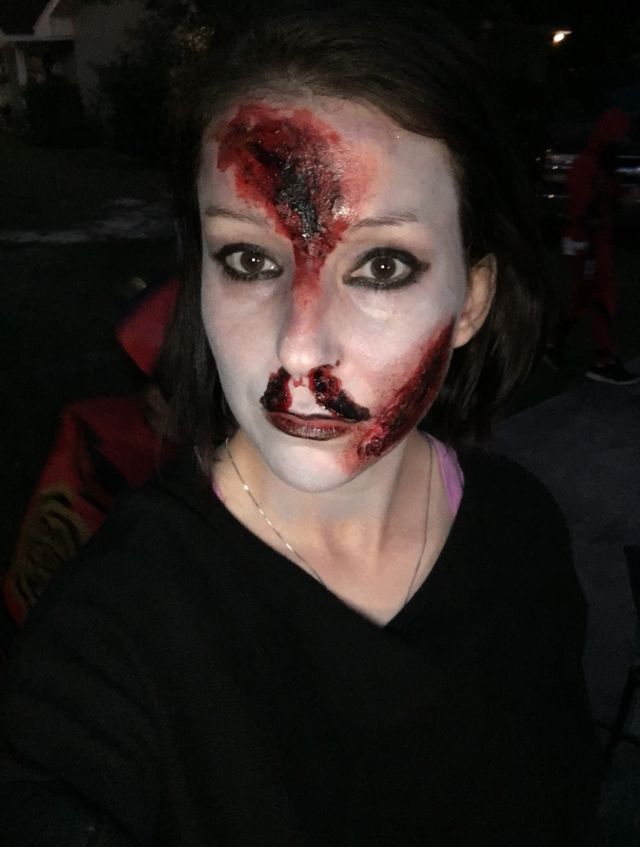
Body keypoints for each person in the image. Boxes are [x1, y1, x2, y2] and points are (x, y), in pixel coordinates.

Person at [0, 4, 601, 845]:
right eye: (250, 259)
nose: (299, 346)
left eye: (382, 264)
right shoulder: (113, 638)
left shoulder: (523, 532)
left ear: (470, 299)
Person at [547, 106, 639, 384]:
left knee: (583, 297)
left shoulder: (602, 166)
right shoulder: (587, 166)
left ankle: (554, 343)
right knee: (601, 298)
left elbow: (608, 201)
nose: (621, 144)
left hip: (594, 242)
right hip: (587, 243)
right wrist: (587, 250)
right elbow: (582, 210)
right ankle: (603, 360)